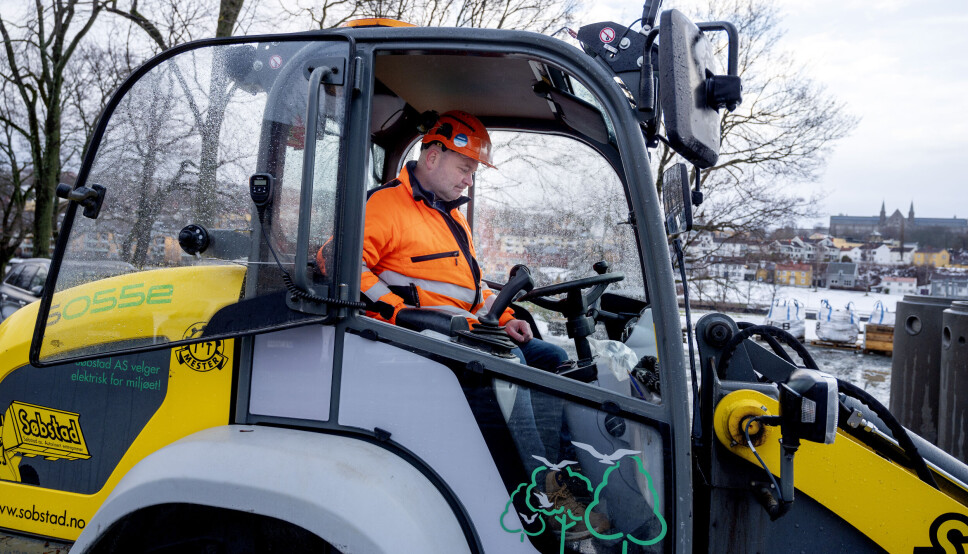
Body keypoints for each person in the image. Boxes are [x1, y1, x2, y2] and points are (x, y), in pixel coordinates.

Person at [356, 110, 567, 371]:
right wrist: (396, 310)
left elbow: (475, 286)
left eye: (473, 173)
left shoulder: (454, 217)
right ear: (432, 158)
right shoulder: (385, 204)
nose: (468, 181)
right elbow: (340, 264)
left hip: (467, 331)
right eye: (464, 170)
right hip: (419, 335)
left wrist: (504, 318)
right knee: (513, 364)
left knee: (555, 358)